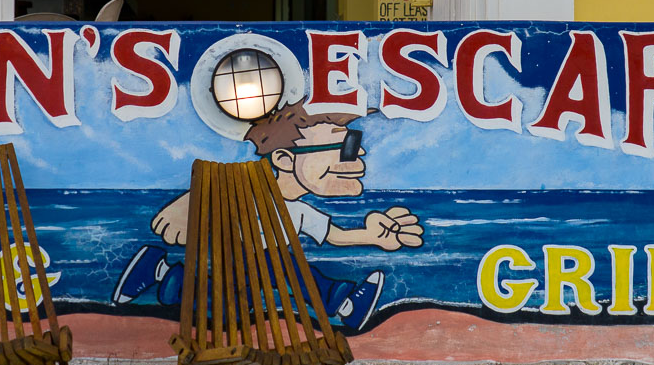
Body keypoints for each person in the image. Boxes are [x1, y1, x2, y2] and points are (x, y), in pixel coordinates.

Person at [112, 100, 423, 330]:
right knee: (283, 270)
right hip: (236, 263)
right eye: (344, 146)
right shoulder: (245, 189)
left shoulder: (299, 212)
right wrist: (185, 206)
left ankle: (160, 271)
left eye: (354, 144)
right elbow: (214, 188)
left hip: (257, 268)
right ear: (285, 159)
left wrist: (372, 236)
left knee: (258, 287)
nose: (358, 155)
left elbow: (336, 236)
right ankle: (343, 303)